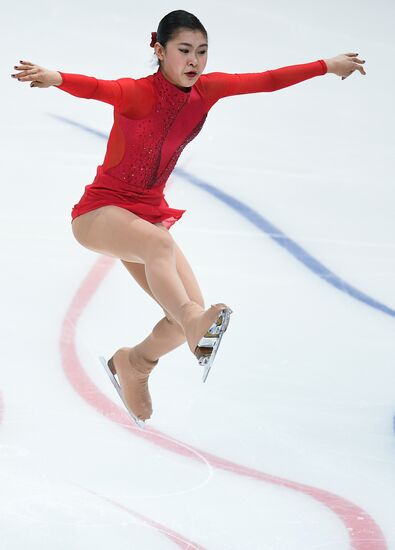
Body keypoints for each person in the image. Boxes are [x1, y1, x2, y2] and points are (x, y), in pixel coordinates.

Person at [11, 9, 366, 426]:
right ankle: (192, 325)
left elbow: (266, 80)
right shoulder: (137, 93)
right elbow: (98, 88)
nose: (194, 61)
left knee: (185, 317)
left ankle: (134, 364)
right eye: (184, 51)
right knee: (177, 282)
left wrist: (326, 66)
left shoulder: (207, 92)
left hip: (145, 216)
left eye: (201, 51)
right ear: (159, 51)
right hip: (99, 213)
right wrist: (56, 77)